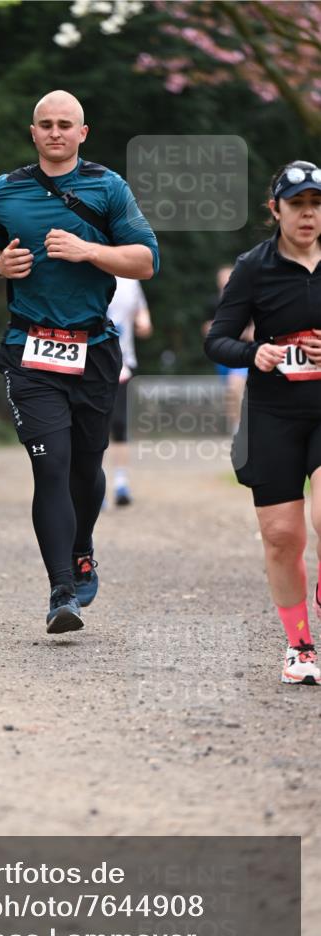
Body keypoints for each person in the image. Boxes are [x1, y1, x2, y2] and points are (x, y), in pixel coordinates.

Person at [0, 90, 159, 633]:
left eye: (65, 124)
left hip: (93, 350)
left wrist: (90, 251)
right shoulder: (5, 191)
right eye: (45, 124)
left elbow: (146, 260)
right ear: (33, 132)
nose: (55, 132)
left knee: (85, 467)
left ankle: (82, 548)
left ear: (83, 132)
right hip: (28, 351)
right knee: (49, 464)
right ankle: (61, 591)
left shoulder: (108, 188)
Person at [205, 160, 321, 685]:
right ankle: (300, 646)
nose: (308, 215)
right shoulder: (253, 267)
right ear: (276, 210)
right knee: (280, 535)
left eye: (317, 205)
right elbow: (218, 338)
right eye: (298, 205)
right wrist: (256, 352)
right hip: (273, 412)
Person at [105, 276, 152, 506]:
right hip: (87, 363)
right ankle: (94, 484)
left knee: (120, 424)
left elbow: (141, 312)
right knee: (92, 425)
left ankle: (121, 483)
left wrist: (143, 322)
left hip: (122, 363)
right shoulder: (86, 269)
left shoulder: (130, 279)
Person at [202, 265, 254, 434]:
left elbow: (255, 330)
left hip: (241, 351)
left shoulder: (247, 302)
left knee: (235, 386)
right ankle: (236, 425)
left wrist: (244, 332)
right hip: (222, 353)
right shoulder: (212, 303)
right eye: (222, 279)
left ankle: (242, 428)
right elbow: (206, 328)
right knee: (231, 393)